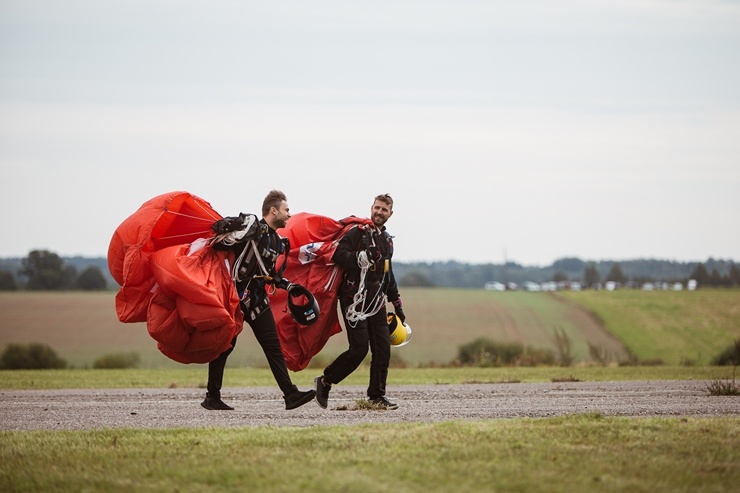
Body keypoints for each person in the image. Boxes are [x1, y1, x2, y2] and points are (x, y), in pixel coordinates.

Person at [201, 190, 316, 411]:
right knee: (225, 346)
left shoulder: (275, 240)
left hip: (256, 300)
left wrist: (289, 286)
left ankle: (290, 395)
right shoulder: (251, 226)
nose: (289, 215)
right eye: (286, 210)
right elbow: (220, 238)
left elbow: (269, 274)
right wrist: (230, 224)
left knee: (272, 346)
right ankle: (212, 396)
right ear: (273, 211)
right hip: (236, 298)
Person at [314, 193, 407, 410]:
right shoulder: (357, 233)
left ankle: (376, 396)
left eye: (384, 209)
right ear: (371, 208)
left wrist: (397, 302)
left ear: (390, 214)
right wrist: (362, 256)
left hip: (376, 301)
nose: (379, 212)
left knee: (383, 349)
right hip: (353, 299)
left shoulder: (387, 242)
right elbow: (338, 255)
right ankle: (326, 381)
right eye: (377, 208)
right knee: (358, 350)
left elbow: (387, 274)